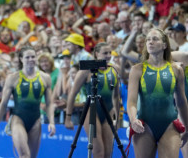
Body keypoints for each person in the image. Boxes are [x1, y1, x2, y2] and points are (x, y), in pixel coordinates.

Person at [127, 28, 188, 158]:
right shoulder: (137, 70)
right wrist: (133, 119)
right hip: (144, 126)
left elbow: (181, 101)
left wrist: (187, 126)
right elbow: (131, 101)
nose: (150, 42)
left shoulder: (176, 69)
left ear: (164, 45)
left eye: (155, 39)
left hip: (169, 125)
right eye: (148, 39)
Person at [0, 46, 56, 158]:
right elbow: (3, 103)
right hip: (18, 119)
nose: (31, 59)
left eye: (33, 57)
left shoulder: (45, 78)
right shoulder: (13, 78)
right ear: (21, 59)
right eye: (27, 57)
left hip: (35, 121)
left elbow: (49, 104)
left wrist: (52, 122)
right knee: (25, 155)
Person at [65, 42, 120, 158]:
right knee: (98, 151)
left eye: (110, 53)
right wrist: (68, 118)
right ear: (96, 54)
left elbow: (115, 96)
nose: (108, 55)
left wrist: (118, 118)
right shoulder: (86, 71)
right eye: (105, 53)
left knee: (108, 152)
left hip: (108, 111)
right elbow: (72, 94)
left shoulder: (115, 69)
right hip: (92, 112)